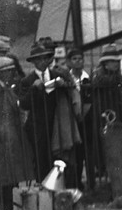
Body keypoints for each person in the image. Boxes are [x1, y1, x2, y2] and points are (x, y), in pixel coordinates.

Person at [16, 42, 82, 187]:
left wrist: (63, 86)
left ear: (48, 59)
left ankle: (61, 193)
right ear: (33, 62)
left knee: (59, 160)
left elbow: (71, 94)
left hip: (57, 125)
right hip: (38, 127)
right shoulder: (27, 80)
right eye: (38, 59)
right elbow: (24, 103)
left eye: (44, 58)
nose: (42, 62)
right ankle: (45, 197)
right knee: (41, 162)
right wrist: (34, 89)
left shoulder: (57, 75)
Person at [0, 56, 36, 210]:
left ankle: (11, 203)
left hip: (11, 132)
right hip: (4, 133)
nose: (11, 74)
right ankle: (6, 205)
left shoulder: (6, 89)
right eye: (8, 72)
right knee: (6, 169)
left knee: (12, 169)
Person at [65, 48, 94, 190]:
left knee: (86, 152)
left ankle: (90, 183)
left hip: (85, 121)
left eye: (80, 59)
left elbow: (89, 101)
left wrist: (81, 116)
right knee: (74, 153)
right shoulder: (67, 78)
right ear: (69, 62)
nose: (78, 61)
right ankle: (75, 182)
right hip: (71, 120)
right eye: (74, 59)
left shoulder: (87, 78)